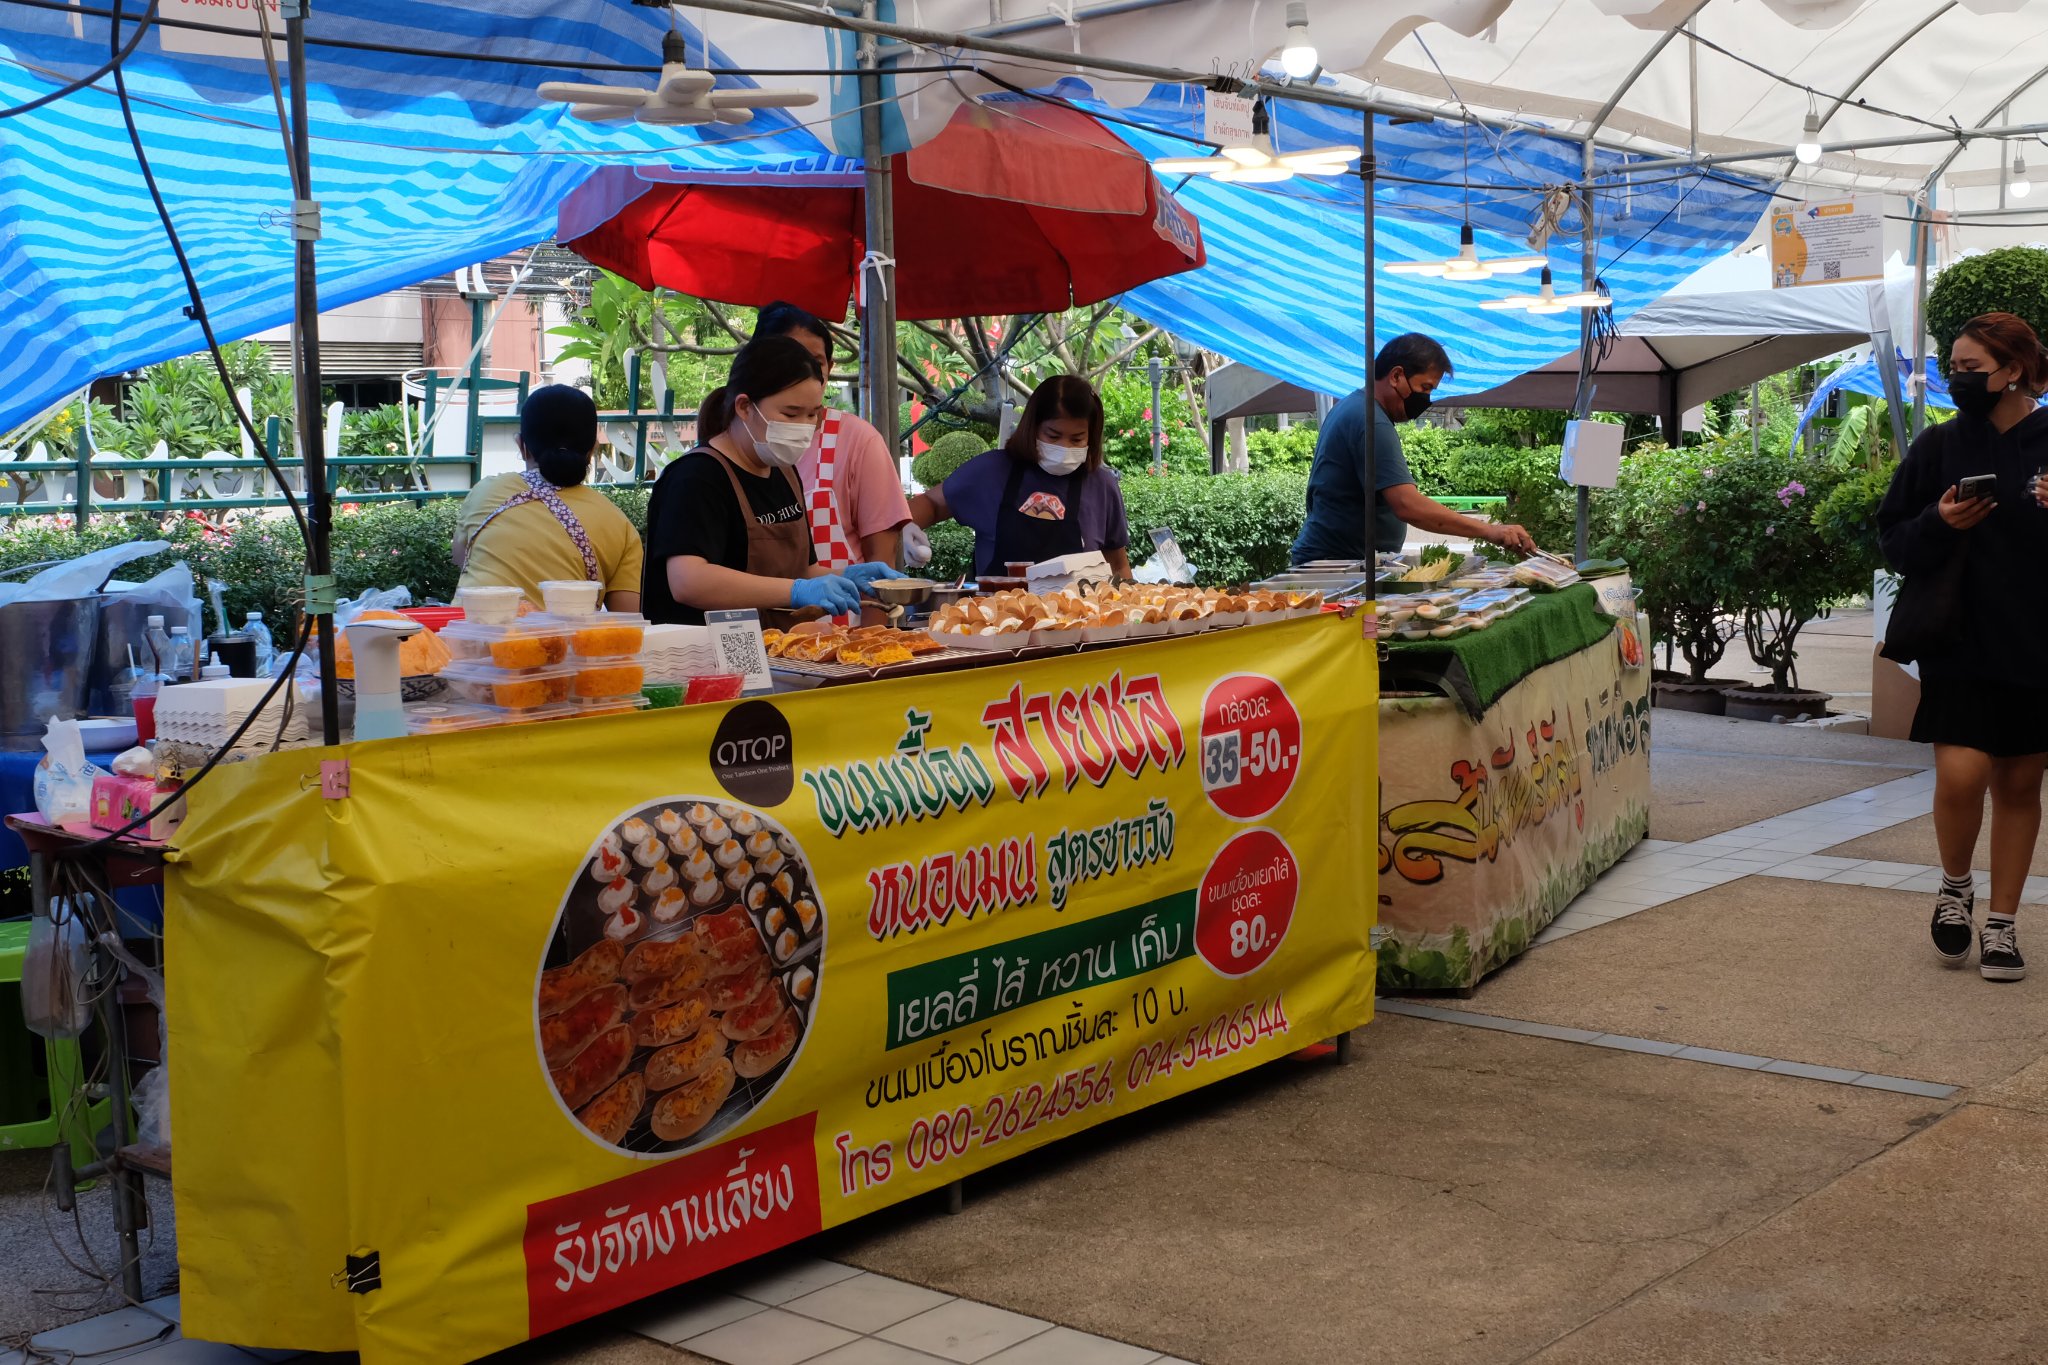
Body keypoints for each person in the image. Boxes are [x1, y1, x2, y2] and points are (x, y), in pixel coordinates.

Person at [1878, 310, 2048, 984]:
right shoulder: (1940, 444)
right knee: (1961, 775)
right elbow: (1893, 540)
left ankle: (2002, 925)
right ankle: (1955, 886)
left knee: (2020, 783)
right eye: (1953, 367)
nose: (1957, 379)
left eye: (1970, 368)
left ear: (2014, 370)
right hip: (1958, 638)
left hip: (2037, 641)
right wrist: (1940, 521)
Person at [642, 335, 894, 627]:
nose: (804, 426)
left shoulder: (784, 472)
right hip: (699, 650)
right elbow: (688, 581)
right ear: (744, 407)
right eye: (791, 413)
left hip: (774, 647)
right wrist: (796, 591)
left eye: (812, 414)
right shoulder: (696, 477)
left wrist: (846, 576)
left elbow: (802, 571)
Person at [1292, 333, 1537, 563]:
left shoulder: (1355, 407)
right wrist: (1489, 531)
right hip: (1335, 563)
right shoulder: (1371, 420)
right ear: (1396, 376)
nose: (1425, 399)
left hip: (1341, 559)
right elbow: (1407, 504)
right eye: (1425, 387)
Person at [908, 374, 1132, 580]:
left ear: (1091, 437)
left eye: (1077, 439)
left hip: (1079, 610)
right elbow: (932, 503)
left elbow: (1118, 565)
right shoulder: (991, 471)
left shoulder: (1102, 486)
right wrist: (905, 526)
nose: (1064, 447)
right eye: (1053, 436)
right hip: (997, 610)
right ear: (1032, 427)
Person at [753, 302, 913, 573]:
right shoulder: (738, 447)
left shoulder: (858, 440)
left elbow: (881, 565)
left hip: (842, 602)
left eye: (816, 362)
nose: (804, 371)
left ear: (830, 367)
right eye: (789, 359)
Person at [453, 384, 643, 611]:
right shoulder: (619, 525)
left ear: (522, 446)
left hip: (469, 631)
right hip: (566, 635)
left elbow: (461, 559)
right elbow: (627, 617)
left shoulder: (484, 492)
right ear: (592, 450)